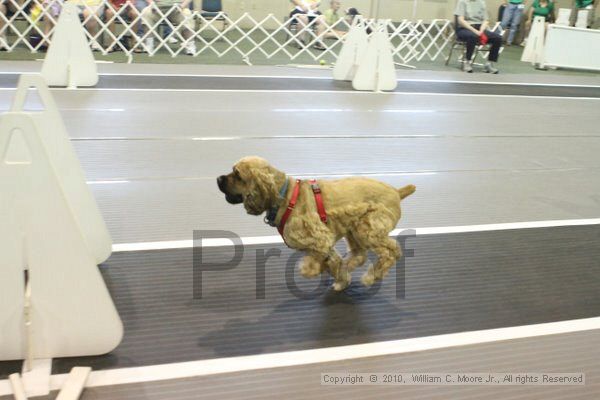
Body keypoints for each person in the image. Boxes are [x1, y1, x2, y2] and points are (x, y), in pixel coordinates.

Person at [454, 0, 502, 73]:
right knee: (472, 36)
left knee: (497, 38)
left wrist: (481, 30)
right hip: (464, 28)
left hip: (479, 28)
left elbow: (486, 20)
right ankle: (467, 62)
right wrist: (474, 31)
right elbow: (461, 20)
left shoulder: (481, 2)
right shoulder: (462, 2)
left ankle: (489, 64)